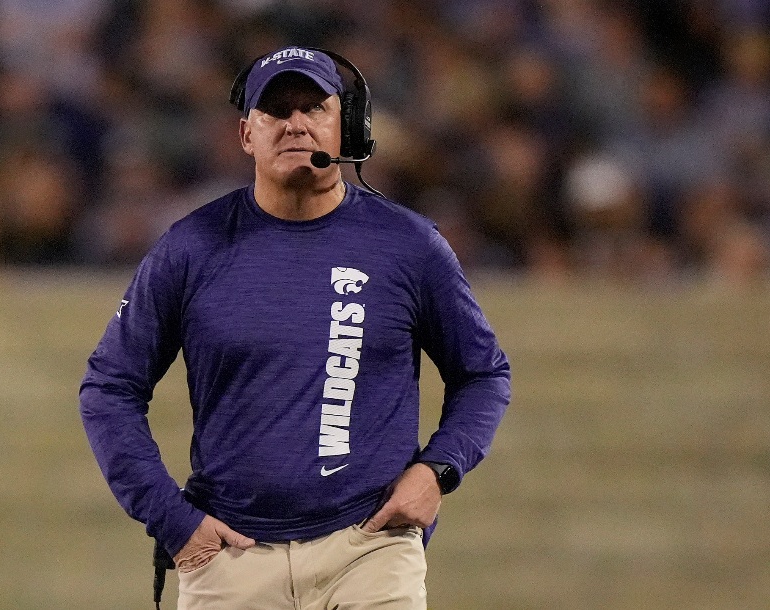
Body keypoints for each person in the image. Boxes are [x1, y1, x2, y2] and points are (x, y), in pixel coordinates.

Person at [79, 46, 511, 609]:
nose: (296, 124)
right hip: (230, 559)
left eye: (314, 108)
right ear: (246, 136)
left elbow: (483, 373)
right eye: (276, 111)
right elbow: (108, 389)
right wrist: (171, 520)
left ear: (346, 128)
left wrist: (438, 470)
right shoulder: (189, 249)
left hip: (370, 550)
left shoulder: (409, 246)